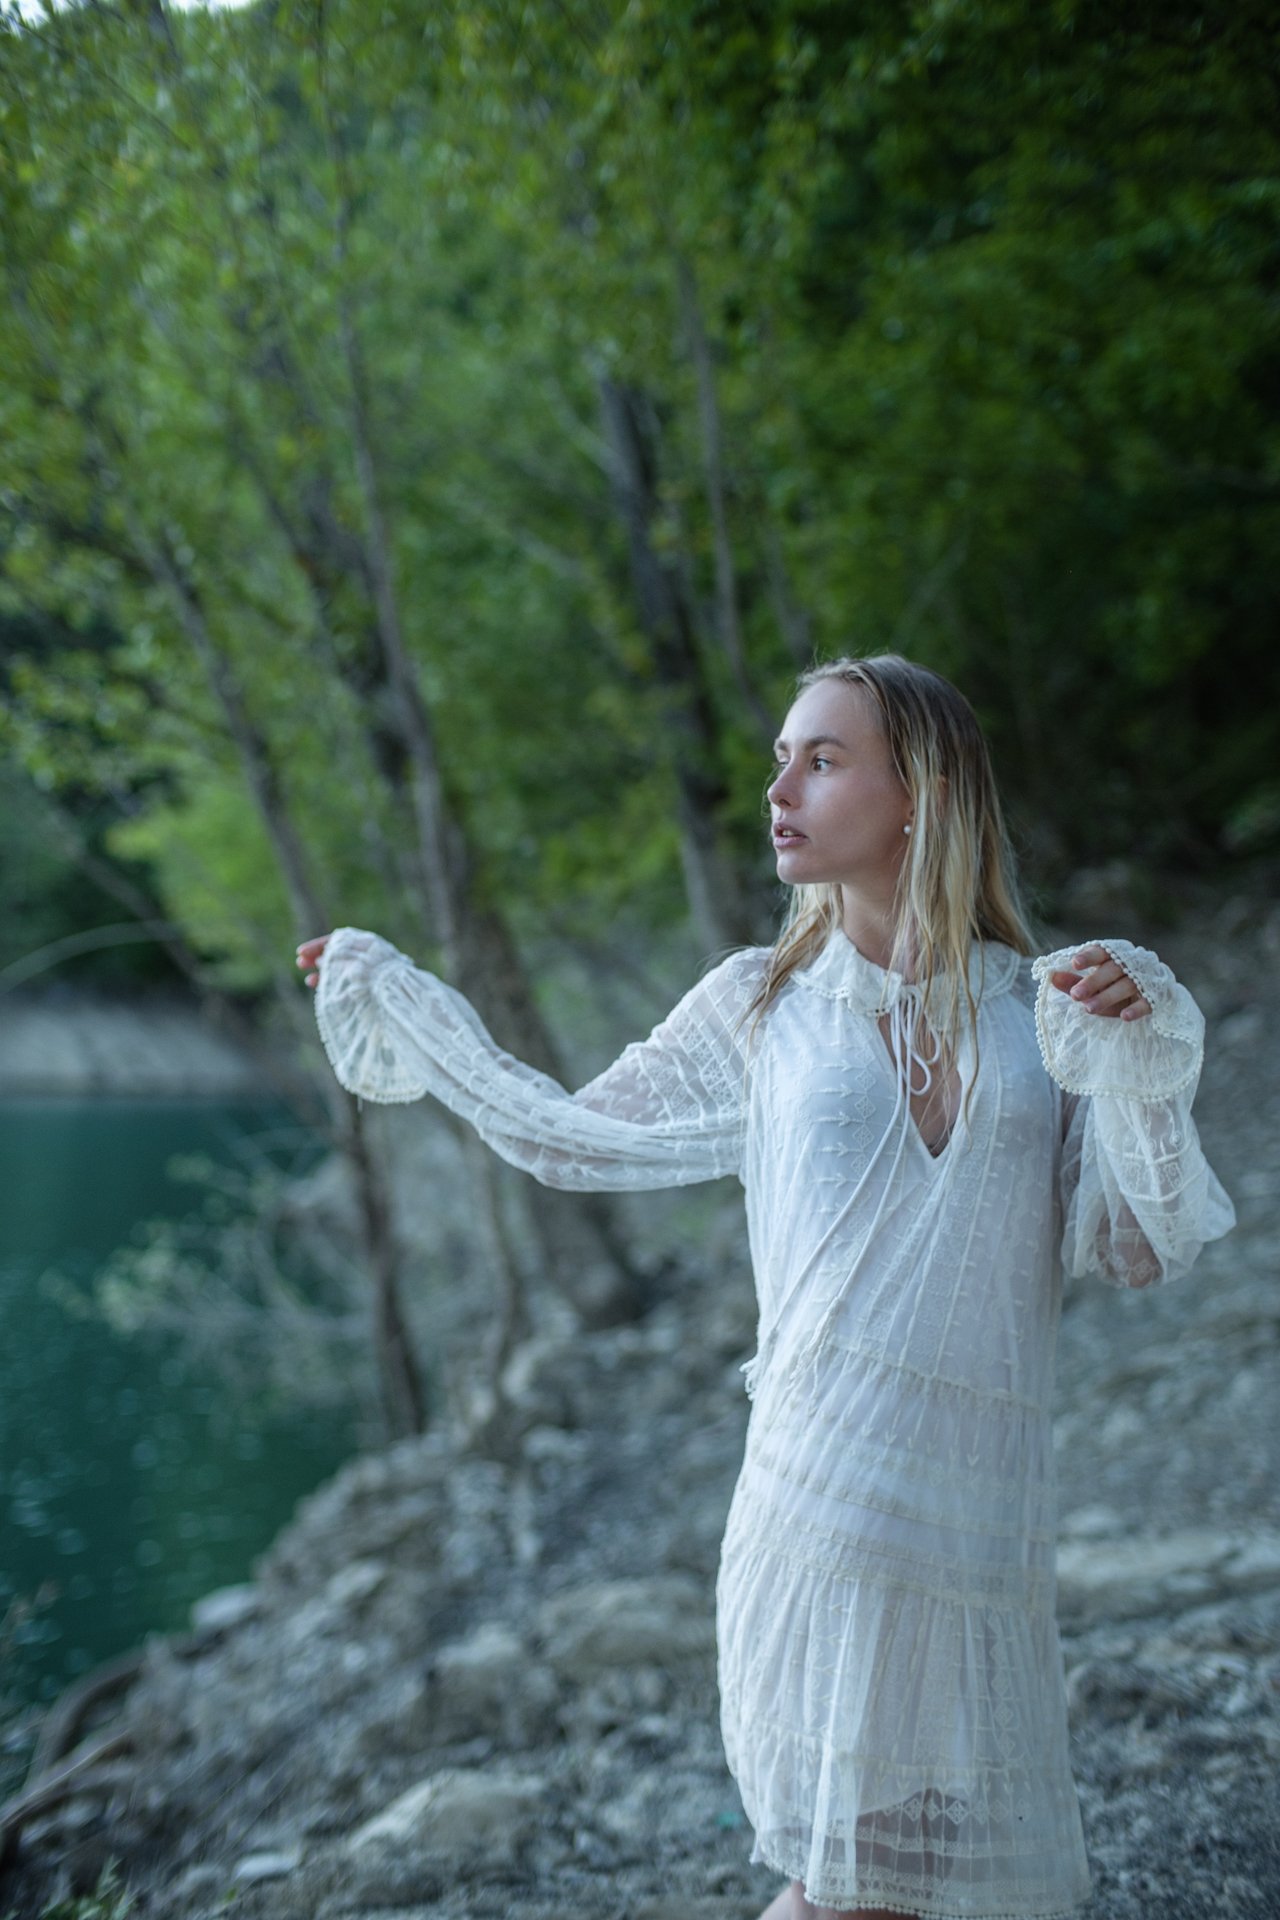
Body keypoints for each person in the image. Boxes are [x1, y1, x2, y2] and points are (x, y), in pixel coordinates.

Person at [296, 653, 1234, 1920]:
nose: (777, 787)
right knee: (852, 1882)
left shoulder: (1042, 1014)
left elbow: (1132, 1245)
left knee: (927, 1880)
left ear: (923, 790)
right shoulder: (757, 1002)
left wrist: (1140, 1061)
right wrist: (401, 1002)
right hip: (819, 1500)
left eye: (822, 757)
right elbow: (572, 1138)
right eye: (780, 758)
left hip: (978, 1515)